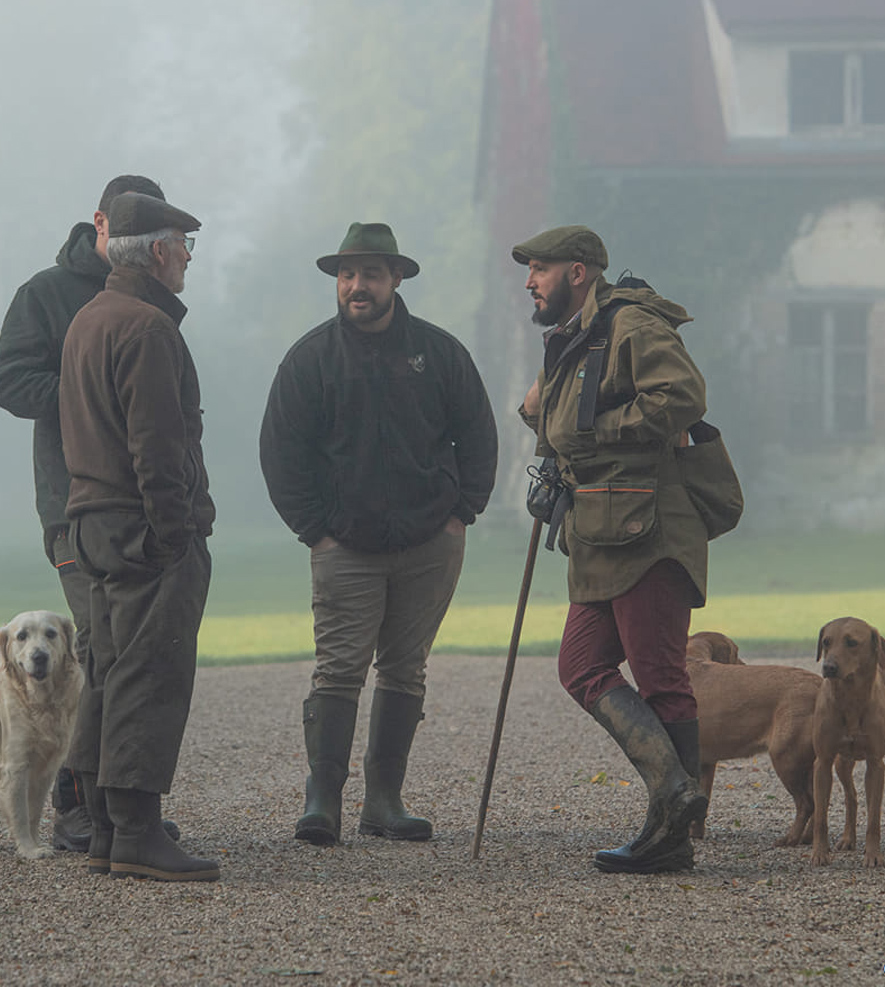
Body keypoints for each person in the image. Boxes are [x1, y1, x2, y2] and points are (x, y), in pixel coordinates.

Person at [259, 222, 498, 846]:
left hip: (430, 541)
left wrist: (461, 512)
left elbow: (477, 433)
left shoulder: (440, 353)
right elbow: (282, 453)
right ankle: (323, 800)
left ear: (396, 278)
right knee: (338, 669)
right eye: (346, 274)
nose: (355, 286)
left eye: (369, 273)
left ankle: (385, 800)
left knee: (404, 669)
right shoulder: (309, 358)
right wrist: (315, 530)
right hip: (345, 546)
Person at [0, 174, 179, 853]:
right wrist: (86, 393)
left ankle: (116, 810)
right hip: (73, 503)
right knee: (95, 650)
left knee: (127, 651)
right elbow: (6, 380)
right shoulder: (46, 294)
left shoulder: (152, 298)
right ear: (98, 223)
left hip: (136, 505)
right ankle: (79, 805)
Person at [514, 224, 711, 874]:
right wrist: (550, 400)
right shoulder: (574, 339)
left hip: (648, 528)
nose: (529, 281)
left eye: (539, 268)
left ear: (578, 272)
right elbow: (550, 418)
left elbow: (680, 396)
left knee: (660, 678)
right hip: (603, 533)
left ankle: (674, 831)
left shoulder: (630, 323)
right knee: (580, 667)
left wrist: (596, 429)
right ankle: (675, 794)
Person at [57, 190, 218, 881]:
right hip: (142, 528)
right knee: (151, 673)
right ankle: (139, 833)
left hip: (91, 523)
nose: (187, 257)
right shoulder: (148, 327)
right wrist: (174, 532)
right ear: (157, 250)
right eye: (184, 245)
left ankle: (102, 829)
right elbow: (158, 445)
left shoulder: (88, 318)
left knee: (109, 673)